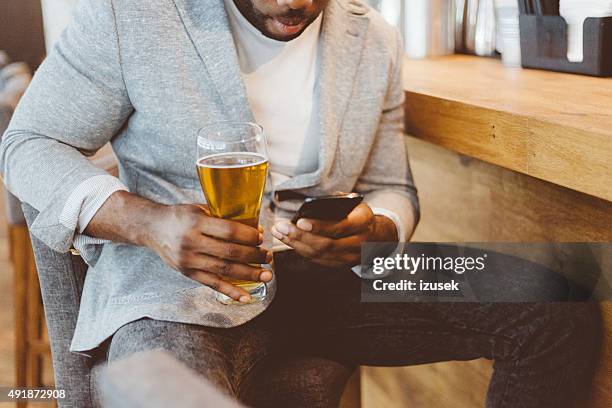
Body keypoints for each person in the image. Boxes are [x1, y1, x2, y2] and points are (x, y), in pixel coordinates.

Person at [0, 0, 600, 407]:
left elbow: (395, 186)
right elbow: (26, 145)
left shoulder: (373, 39)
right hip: (173, 295)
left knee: (552, 307)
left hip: (334, 280)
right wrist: (148, 222)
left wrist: (379, 227)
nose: (293, 3)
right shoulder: (131, 18)